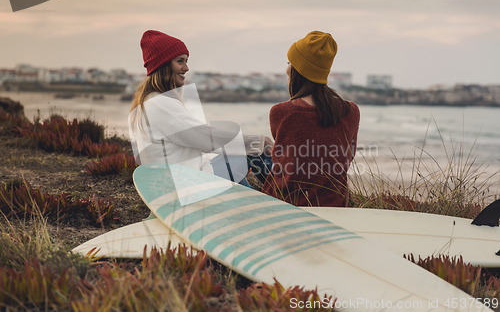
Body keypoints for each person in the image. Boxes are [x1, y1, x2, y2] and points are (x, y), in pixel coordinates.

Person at [128, 30, 272, 187]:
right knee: (253, 150)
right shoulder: (160, 103)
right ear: (164, 65)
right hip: (186, 186)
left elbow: (190, 143)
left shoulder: (147, 102)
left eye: (186, 61)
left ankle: (250, 204)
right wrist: (259, 141)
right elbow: (204, 138)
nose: (186, 67)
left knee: (236, 160)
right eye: (180, 61)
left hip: (174, 183)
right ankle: (291, 198)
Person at [262, 31, 360, 207]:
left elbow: (287, 162)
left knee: (257, 156)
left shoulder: (281, 112)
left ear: (299, 70)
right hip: (336, 204)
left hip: (286, 205)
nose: (286, 69)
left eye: (289, 63)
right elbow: (347, 157)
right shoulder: (350, 111)